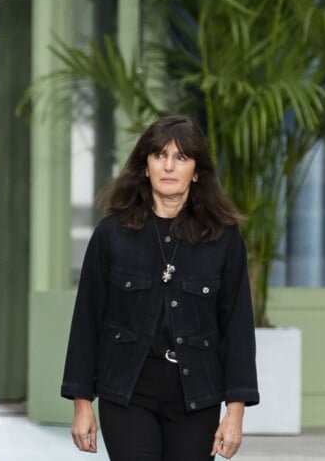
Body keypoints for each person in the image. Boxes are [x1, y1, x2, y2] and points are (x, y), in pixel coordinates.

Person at [61, 115, 259, 460]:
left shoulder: (222, 238)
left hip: (197, 394)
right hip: (127, 393)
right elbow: (87, 322)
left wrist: (236, 412)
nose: (169, 166)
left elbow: (237, 328)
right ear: (145, 166)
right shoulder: (112, 235)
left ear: (196, 172)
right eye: (159, 156)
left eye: (181, 157)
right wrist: (82, 404)